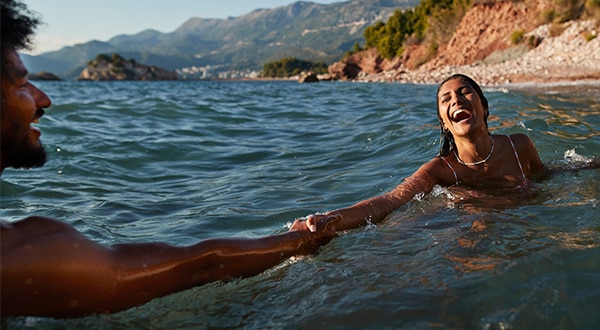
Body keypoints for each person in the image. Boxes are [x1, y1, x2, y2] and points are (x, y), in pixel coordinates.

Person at [0, 0, 337, 318]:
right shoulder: (24, 255)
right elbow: (201, 268)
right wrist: (309, 237)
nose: (42, 99)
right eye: (20, 83)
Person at [297, 73, 600, 232]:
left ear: (483, 106)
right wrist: (333, 217)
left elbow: (546, 175)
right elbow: (391, 200)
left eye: (465, 92)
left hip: (529, 225)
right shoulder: (440, 171)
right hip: (470, 232)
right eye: (446, 98)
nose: (456, 99)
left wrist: (589, 166)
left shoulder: (519, 146)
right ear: (444, 122)